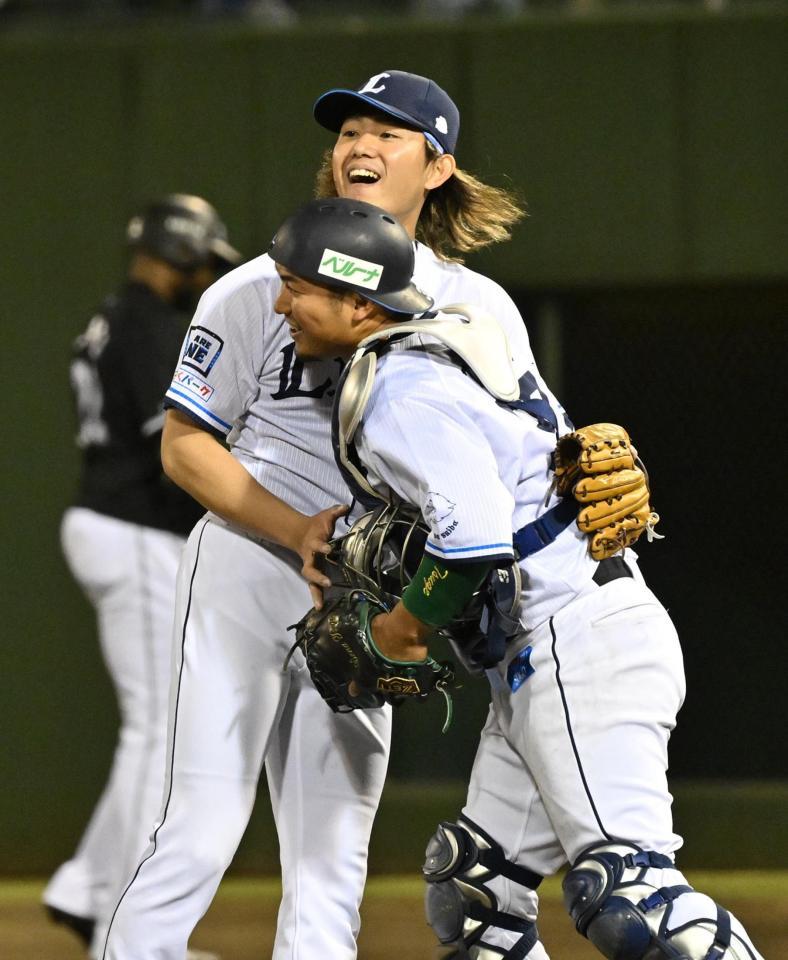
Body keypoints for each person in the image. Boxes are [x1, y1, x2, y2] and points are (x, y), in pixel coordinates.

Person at [100, 70, 542, 960]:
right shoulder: (265, 285)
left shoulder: (477, 305)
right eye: (348, 131)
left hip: (365, 588)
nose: (360, 145)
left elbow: (526, 438)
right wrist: (292, 527)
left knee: (333, 852)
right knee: (199, 822)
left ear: (439, 165)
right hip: (248, 562)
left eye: (389, 132)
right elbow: (185, 445)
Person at [266, 195, 766, 960]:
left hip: (574, 644)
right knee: (477, 892)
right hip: (564, 638)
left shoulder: (401, 388)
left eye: (296, 286)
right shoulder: (440, 347)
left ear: (355, 297)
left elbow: (472, 542)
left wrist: (399, 634)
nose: (280, 302)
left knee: (633, 901)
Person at [45, 194, 242, 960]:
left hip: (108, 522)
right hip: (130, 526)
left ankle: (90, 891)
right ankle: (117, 926)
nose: (204, 276)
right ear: (178, 250)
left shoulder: (108, 319)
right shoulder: (151, 326)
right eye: (200, 259)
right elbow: (175, 453)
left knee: (155, 729)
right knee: (158, 730)